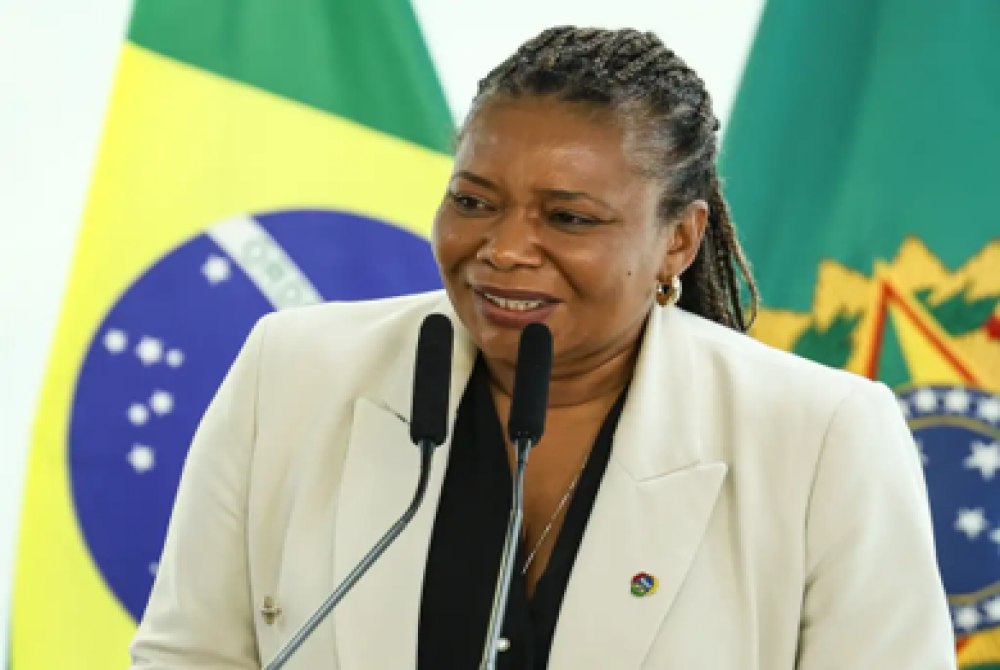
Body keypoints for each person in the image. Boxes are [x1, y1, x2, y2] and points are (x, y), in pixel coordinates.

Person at [130, 26, 956, 669]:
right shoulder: (292, 375)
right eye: (473, 201)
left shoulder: (822, 436)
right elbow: (189, 655)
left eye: (568, 218)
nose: (503, 249)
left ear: (678, 239)